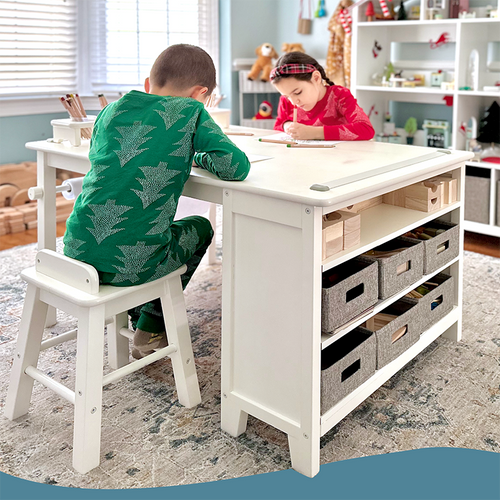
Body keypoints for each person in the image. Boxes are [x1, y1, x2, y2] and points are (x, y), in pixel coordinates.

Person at [63, 44, 251, 359]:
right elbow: (236, 168)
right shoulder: (191, 111)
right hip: (132, 265)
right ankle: (151, 325)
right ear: (200, 94)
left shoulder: (112, 109)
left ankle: (139, 308)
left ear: (149, 84)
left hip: (76, 249)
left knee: (141, 230)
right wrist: (198, 155)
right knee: (201, 227)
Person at [270, 52, 375, 141]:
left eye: (298, 92)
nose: (293, 102)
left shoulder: (339, 96)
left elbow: (366, 129)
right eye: (287, 96)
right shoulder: (286, 101)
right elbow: (277, 128)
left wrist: (314, 133)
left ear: (316, 78)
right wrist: (286, 126)